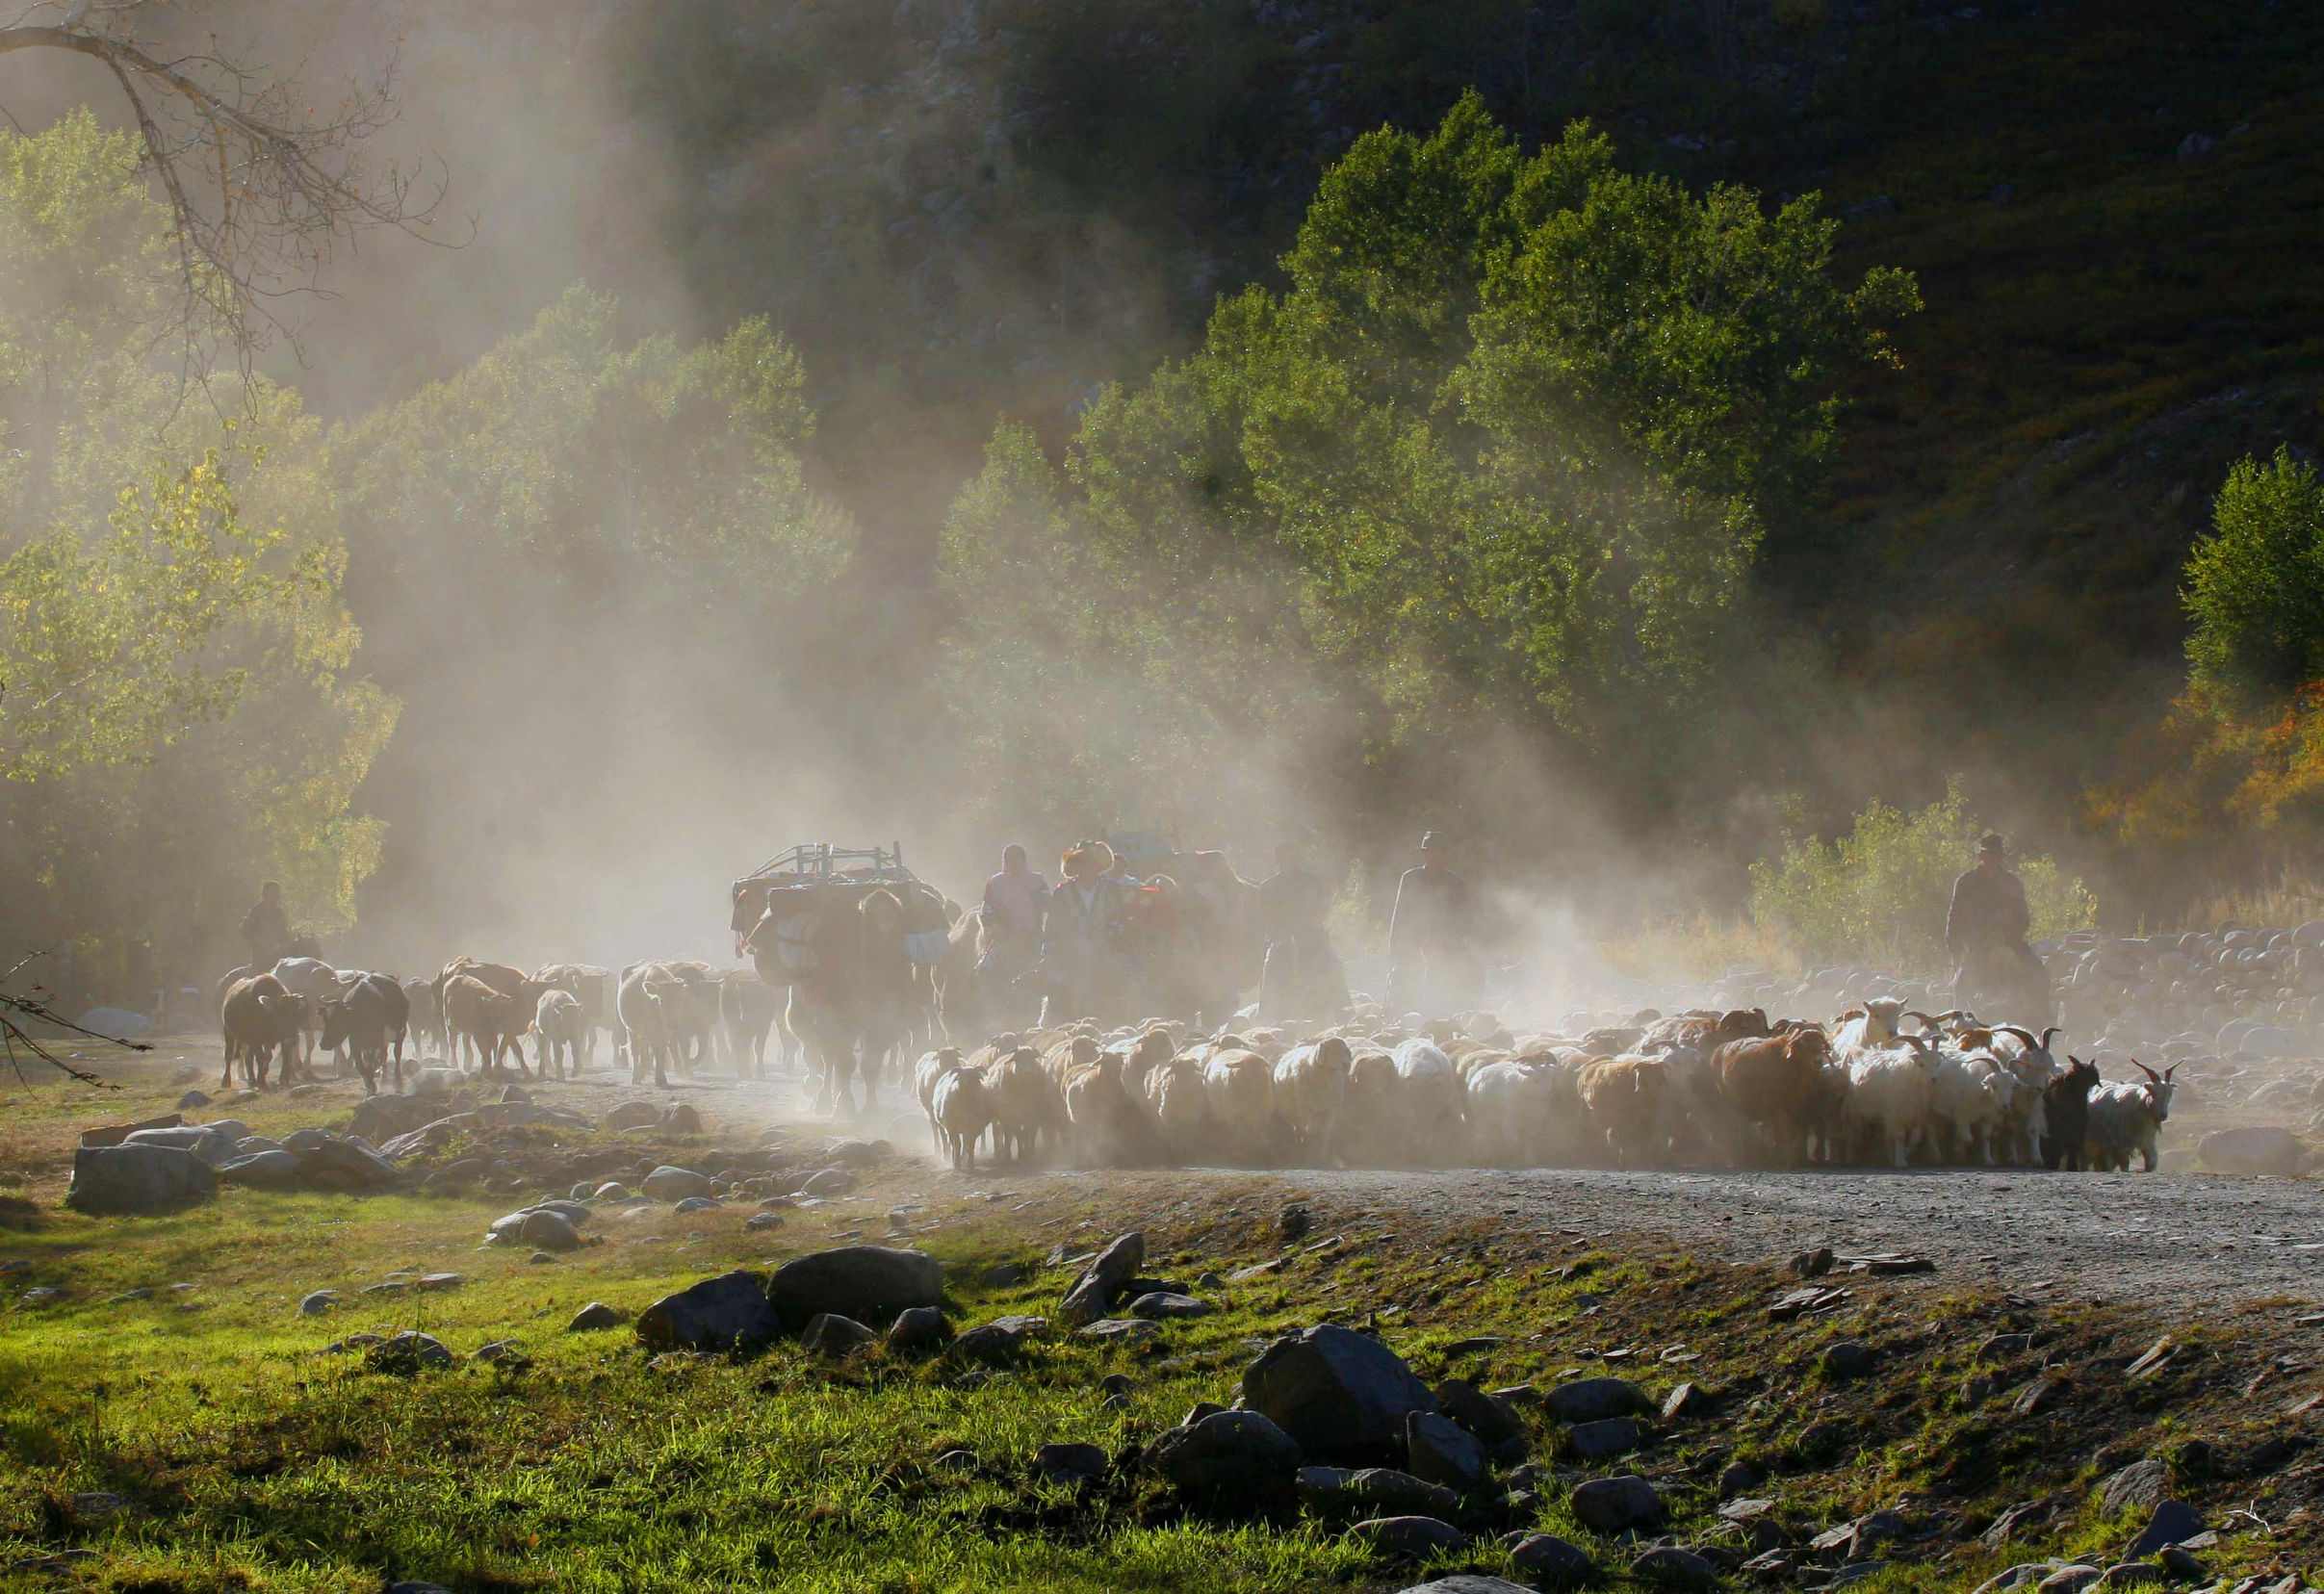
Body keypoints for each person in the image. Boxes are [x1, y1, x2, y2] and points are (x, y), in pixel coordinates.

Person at [1946, 834, 2049, 1008]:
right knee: (1961, 986)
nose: (1993, 858)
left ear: (2001, 857)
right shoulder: (1966, 882)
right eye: (1989, 854)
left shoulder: (2012, 882)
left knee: (2040, 974)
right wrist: (1955, 948)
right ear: (1981, 856)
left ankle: (2045, 1019)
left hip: (2011, 942)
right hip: (1979, 944)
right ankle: (1959, 1026)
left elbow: (2024, 919)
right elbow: (1955, 918)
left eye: (1997, 854)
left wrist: (2011, 922)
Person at [1043, 840, 1130, 1021]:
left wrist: (1107, 934)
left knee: (1127, 975)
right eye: (1083, 863)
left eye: (1093, 864)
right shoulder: (1062, 893)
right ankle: (1061, 1023)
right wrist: (1050, 954)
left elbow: (1120, 919)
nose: (1089, 868)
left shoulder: (1111, 889)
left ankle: (1120, 1019)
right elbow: (1053, 927)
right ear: (1075, 866)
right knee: (1057, 983)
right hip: (1070, 953)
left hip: (1106, 948)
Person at [1387, 831, 1472, 1016]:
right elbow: (1400, 913)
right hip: (1414, 940)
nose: (1435, 856)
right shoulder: (1410, 878)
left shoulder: (1456, 883)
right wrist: (1397, 947)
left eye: (1439, 852)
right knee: (1402, 977)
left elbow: (1464, 919)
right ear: (1424, 854)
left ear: (1445, 854)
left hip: (1446, 945)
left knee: (1457, 975)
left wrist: (1452, 941)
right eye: (1431, 852)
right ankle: (1398, 1014)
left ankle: (1453, 1011)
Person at [1259, 841, 1347, 1019]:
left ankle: (1345, 1011)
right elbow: (1267, 916)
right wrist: (1281, 934)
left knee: (1332, 963)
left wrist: (1312, 926)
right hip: (1282, 936)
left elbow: (1323, 908)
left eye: (1292, 858)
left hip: (1310, 934)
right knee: (1270, 966)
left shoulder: (1313, 883)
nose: (1289, 862)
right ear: (1279, 860)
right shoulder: (1268, 886)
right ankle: (1265, 1014)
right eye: (1285, 858)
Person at [977, 844, 1048, 981]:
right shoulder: (995, 882)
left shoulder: (1037, 880)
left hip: (1033, 935)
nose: (1014, 863)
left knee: (1050, 966)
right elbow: (986, 910)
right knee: (985, 970)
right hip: (1004, 937)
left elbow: (1049, 904)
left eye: (1017, 859)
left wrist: (1034, 894)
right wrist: (995, 927)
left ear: (1024, 860)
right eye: (1009, 859)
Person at [240, 881, 290, 971]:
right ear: (267, 893)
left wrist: (283, 943)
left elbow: (284, 932)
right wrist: (258, 940)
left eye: (278, 892)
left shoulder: (278, 912)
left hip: (278, 956)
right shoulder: (256, 911)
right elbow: (245, 929)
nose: (278, 896)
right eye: (275, 892)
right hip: (260, 957)